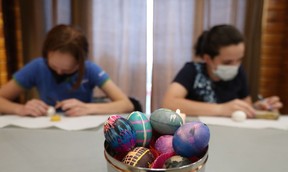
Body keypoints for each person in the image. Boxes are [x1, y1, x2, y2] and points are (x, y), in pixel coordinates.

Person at [0, 24, 134, 117]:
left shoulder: (90, 69)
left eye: (67, 69)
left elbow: (126, 105)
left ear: (80, 63)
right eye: (53, 67)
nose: (58, 73)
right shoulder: (38, 66)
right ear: (46, 54)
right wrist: (20, 109)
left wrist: (88, 108)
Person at [162, 24, 282, 118]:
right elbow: (169, 103)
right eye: (227, 62)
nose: (235, 66)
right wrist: (221, 109)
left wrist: (258, 108)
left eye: (239, 60)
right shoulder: (192, 70)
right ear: (208, 58)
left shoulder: (239, 72)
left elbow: (246, 104)